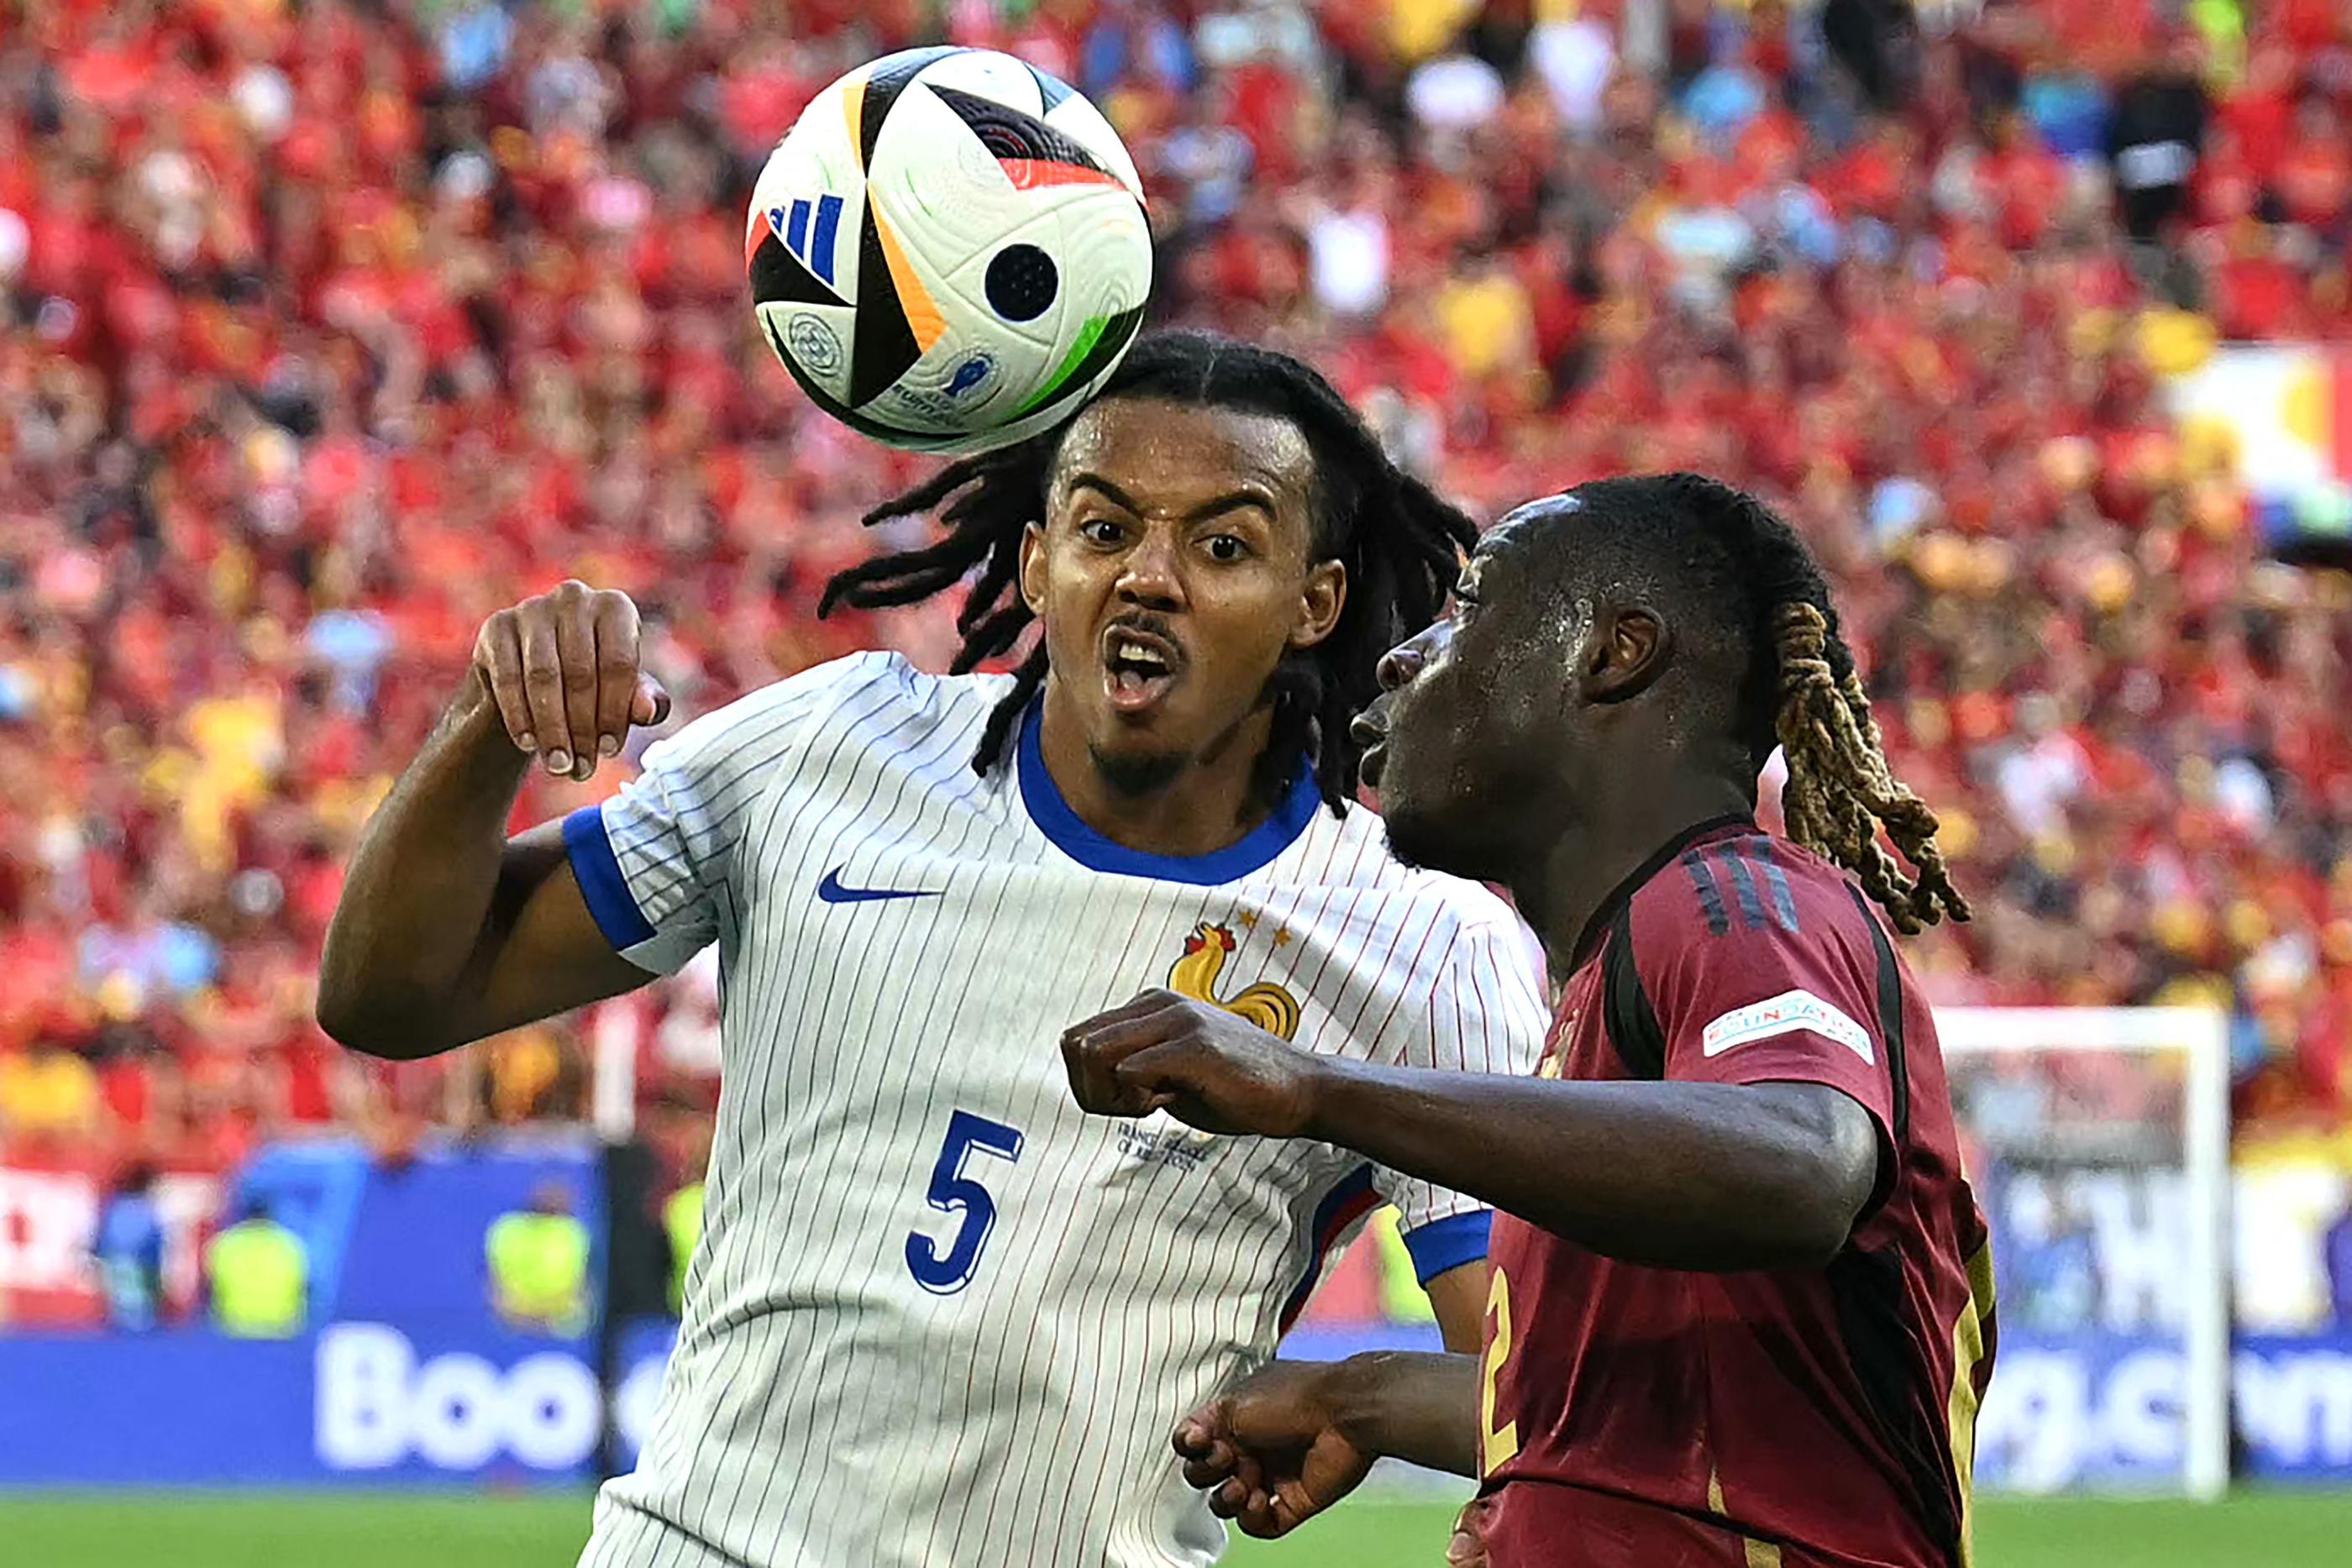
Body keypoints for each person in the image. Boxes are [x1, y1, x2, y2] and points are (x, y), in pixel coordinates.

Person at [318, 331, 1548, 1568]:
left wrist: (1362, 1391)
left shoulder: (1421, 937)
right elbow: (390, 995)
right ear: (1036, 557)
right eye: (1104, 529)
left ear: (1314, 601)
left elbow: (1544, 1387)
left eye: (1223, 545)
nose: (1149, 578)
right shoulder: (825, 751)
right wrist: (491, 721)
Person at [1063, 474, 1997, 1567]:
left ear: (1616, 651)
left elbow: (1802, 1164)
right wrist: (1368, 1396)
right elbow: (1672, 1415)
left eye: (1474, 607)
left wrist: (1319, 1088)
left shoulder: (1736, 900)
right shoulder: (1615, 997)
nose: (1402, 656)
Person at [487, 1178, 593, 1335]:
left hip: (563, 1320)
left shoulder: (573, 1232)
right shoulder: (508, 1229)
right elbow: (493, 1281)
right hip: (513, 1317)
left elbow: (581, 1284)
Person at [203, 1196, 308, 1339]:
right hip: (281, 1328)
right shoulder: (289, 1244)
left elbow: (210, 1286)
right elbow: (303, 1287)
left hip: (234, 1328)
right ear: (271, 1216)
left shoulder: (225, 1243)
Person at [93, 1162, 167, 1331]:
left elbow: (99, 1244)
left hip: (114, 1271)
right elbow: (153, 1249)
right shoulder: (147, 1211)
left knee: (119, 1323)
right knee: (140, 1323)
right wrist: (158, 1285)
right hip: (139, 1274)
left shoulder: (112, 1208)